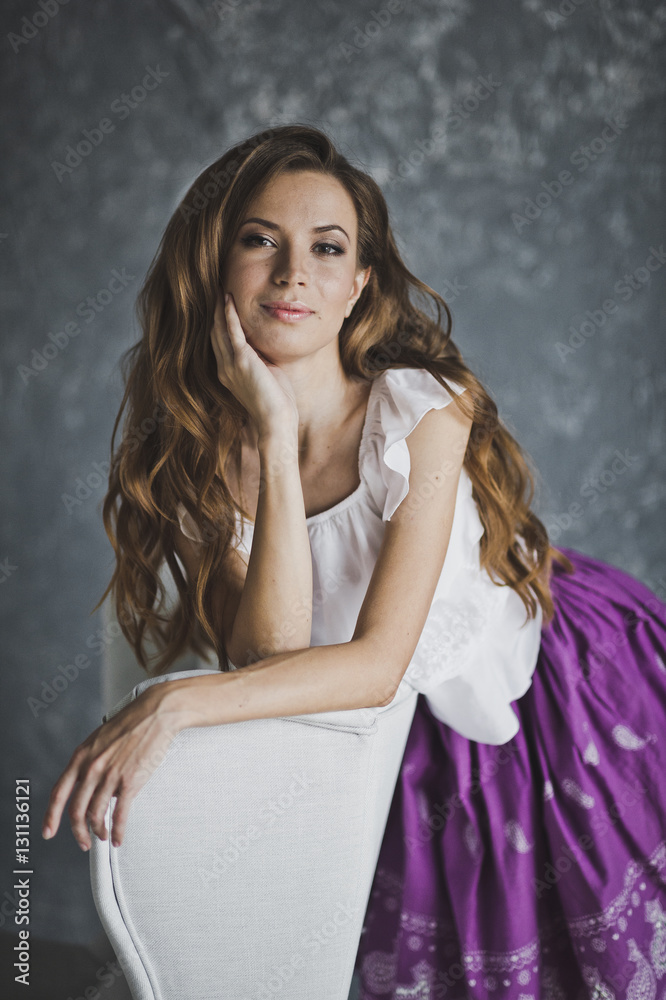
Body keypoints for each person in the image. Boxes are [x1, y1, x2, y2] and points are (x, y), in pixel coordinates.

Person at [42, 123, 666, 998]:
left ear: (359, 284)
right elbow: (273, 657)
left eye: (327, 248)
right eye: (260, 241)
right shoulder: (189, 457)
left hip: (540, 690)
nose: (293, 273)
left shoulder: (422, 412)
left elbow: (377, 666)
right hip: (375, 746)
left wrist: (174, 703)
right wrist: (271, 430)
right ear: (215, 264)